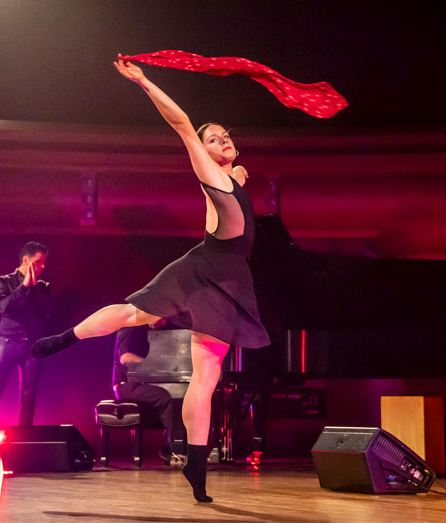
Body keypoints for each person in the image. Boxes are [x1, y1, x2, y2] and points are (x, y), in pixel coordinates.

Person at [33, 58, 271, 502]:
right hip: (202, 265)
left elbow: (237, 187)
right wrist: (145, 82)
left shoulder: (233, 175)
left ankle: (196, 465)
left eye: (227, 136)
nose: (224, 140)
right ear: (205, 150)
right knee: (133, 311)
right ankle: (64, 338)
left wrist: (238, 175)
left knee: (208, 375)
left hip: (230, 277)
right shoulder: (210, 172)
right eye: (214, 138)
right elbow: (182, 123)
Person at [0, 241, 54, 471]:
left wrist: (33, 287)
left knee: (28, 399)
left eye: (44, 262)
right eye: (39, 262)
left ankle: (21, 452)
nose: (43, 266)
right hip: (7, 344)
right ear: (26, 260)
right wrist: (24, 286)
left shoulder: (44, 286)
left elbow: (47, 310)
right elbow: (4, 308)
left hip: (32, 348)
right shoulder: (4, 281)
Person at [113, 324, 187, 465]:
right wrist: (156, 364)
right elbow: (125, 357)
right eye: (162, 316)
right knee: (167, 397)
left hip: (145, 384)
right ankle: (172, 450)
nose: (164, 321)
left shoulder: (157, 332)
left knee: (180, 398)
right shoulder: (128, 329)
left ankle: (175, 448)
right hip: (126, 386)